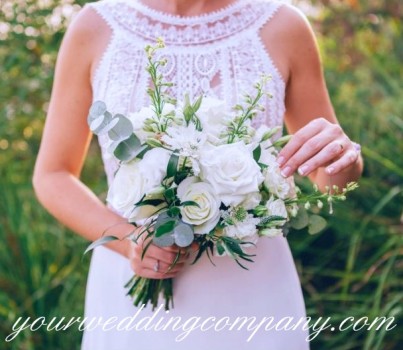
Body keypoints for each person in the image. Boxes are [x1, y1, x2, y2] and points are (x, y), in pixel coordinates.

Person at [33, 0, 363, 349]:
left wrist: (343, 155)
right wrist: (129, 241)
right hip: (135, 288)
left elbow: (330, 182)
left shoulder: (283, 26)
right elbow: (53, 174)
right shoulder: (96, 26)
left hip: (251, 292)